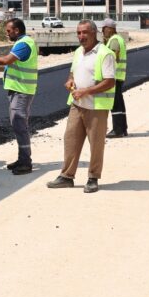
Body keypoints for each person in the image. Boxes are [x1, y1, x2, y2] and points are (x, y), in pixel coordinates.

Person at [46, 20, 116, 193]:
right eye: (78, 33)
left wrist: (86, 91)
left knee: (96, 144)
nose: (81, 36)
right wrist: (70, 80)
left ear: (94, 33)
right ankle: (67, 176)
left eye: (85, 32)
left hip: (96, 107)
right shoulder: (78, 52)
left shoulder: (105, 53)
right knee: (71, 140)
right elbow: (73, 71)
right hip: (77, 105)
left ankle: (93, 178)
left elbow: (110, 81)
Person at [0, 18, 39, 175]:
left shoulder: (24, 44)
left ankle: (26, 162)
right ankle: (22, 159)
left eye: (8, 31)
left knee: (20, 125)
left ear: (17, 30)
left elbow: (7, 60)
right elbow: (9, 65)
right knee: (18, 125)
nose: (7, 33)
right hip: (18, 90)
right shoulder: (22, 43)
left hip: (22, 90)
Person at [101, 18, 128, 138]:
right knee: (119, 103)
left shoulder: (114, 41)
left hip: (114, 77)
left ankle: (117, 130)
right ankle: (123, 129)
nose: (103, 32)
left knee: (115, 103)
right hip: (119, 76)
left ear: (109, 29)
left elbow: (112, 59)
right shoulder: (118, 39)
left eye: (104, 29)